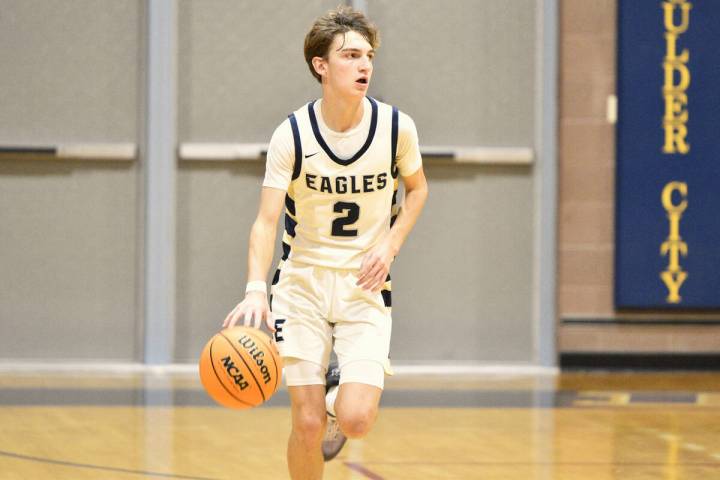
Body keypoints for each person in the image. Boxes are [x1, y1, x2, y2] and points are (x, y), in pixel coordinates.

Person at [223, 6, 428, 479]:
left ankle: (339, 394)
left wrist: (390, 245)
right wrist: (256, 289)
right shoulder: (291, 135)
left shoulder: (397, 127)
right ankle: (320, 410)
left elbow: (418, 189)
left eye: (369, 56)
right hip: (302, 284)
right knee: (307, 422)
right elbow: (265, 222)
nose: (365, 66)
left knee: (355, 419)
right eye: (351, 55)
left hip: (365, 284)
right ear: (321, 65)